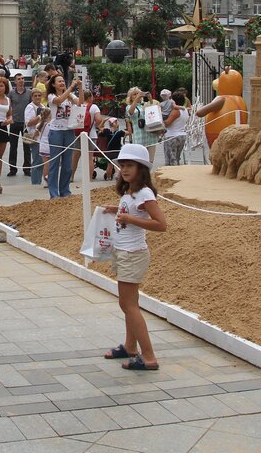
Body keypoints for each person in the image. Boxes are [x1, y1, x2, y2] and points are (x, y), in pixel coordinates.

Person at [101, 143, 168, 371]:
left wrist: (129, 219)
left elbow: (161, 224)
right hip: (124, 252)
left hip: (133, 253)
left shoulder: (144, 193)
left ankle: (148, 356)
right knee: (129, 303)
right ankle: (130, 346)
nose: (125, 170)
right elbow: (131, 211)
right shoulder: (130, 191)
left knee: (128, 304)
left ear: (141, 168)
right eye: (122, 165)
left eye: (130, 165)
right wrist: (117, 210)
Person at [46, 74, 82, 198]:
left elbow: (80, 102)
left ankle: (65, 191)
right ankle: (54, 194)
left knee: (67, 165)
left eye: (63, 81)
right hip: (56, 131)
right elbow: (59, 100)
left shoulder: (70, 95)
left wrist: (80, 88)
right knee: (54, 163)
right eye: (59, 81)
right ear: (53, 84)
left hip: (69, 130)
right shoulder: (51, 96)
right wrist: (70, 87)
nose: (62, 83)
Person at [125, 87, 162, 166]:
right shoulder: (129, 106)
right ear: (130, 97)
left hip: (151, 135)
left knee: (150, 161)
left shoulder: (145, 104)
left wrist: (150, 99)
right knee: (141, 161)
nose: (137, 95)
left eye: (138, 93)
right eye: (134, 94)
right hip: (139, 137)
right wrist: (136, 100)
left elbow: (153, 110)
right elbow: (131, 112)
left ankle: (148, 173)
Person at [6, 73, 31, 178]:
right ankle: (12, 168)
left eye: (22, 78)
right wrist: (9, 117)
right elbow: (8, 106)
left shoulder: (29, 92)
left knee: (27, 147)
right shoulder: (11, 93)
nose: (21, 80)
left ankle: (27, 168)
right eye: (19, 79)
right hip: (14, 123)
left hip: (26, 124)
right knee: (13, 146)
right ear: (15, 81)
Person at [22, 88, 47, 186]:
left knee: (43, 161)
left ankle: (42, 181)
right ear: (32, 97)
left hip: (43, 137)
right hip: (35, 137)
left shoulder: (43, 106)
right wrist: (40, 116)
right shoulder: (30, 107)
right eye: (35, 96)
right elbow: (29, 123)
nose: (37, 97)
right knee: (37, 161)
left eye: (39, 95)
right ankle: (36, 183)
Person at [159, 89, 188, 166]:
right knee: (176, 158)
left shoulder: (175, 111)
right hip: (182, 135)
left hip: (172, 136)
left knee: (171, 160)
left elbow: (167, 123)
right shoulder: (184, 110)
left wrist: (160, 120)